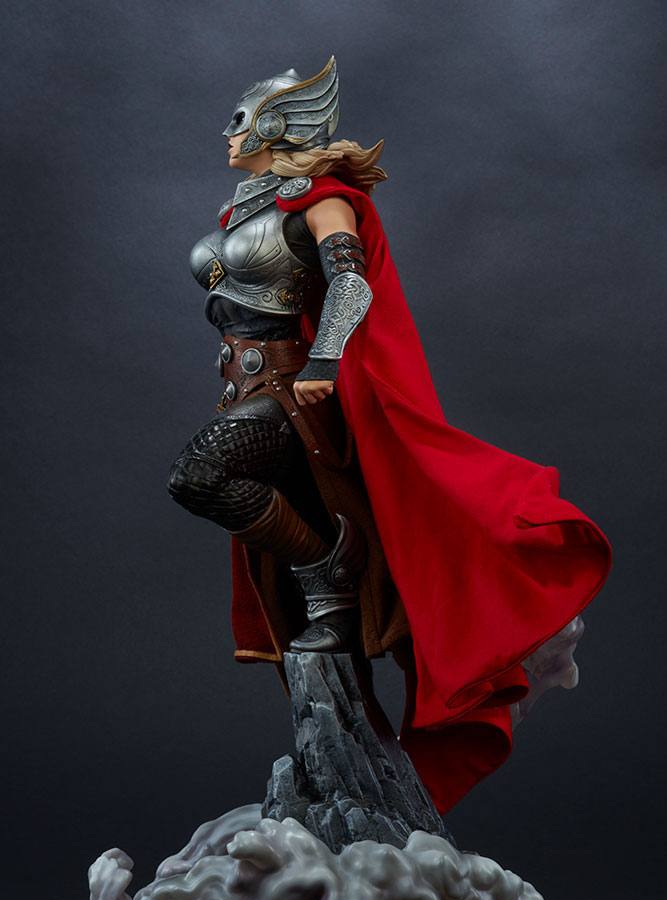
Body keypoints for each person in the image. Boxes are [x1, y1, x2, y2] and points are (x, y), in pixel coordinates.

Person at [168, 56, 612, 813]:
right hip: (242, 387)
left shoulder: (321, 199)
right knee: (238, 508)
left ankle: (330, 572)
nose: (227, 133)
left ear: (276, 126)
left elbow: (350, 282)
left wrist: (325, 360)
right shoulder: (242, 209)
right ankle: (329, 612)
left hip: (292, 393)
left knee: (199, 477)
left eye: (239, 120)